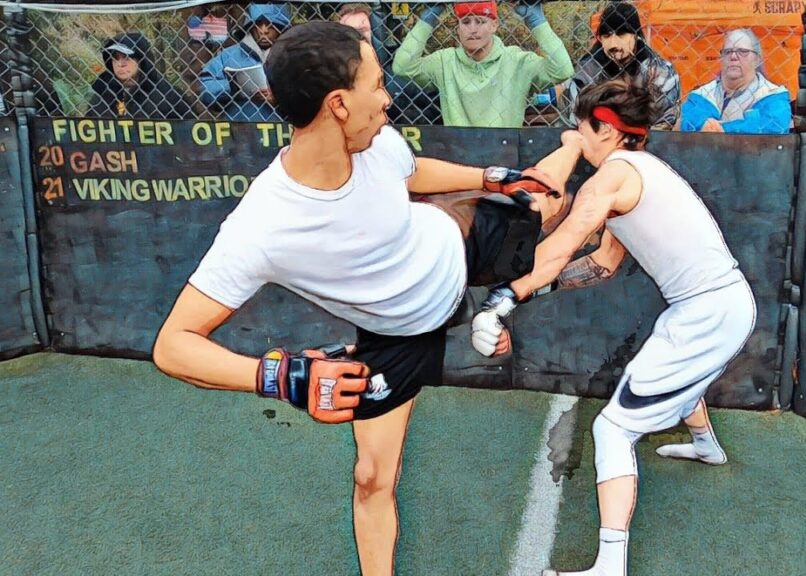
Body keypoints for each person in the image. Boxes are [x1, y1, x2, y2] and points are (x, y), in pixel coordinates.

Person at [152, 22, 570, 576]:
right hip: (400, 332)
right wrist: (283, 377)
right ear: (339, 104)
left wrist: (489, 177)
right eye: (377, 85)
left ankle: (574, 155)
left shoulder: (375, 141)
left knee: (549, 199)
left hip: (455, 240)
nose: (389, 98)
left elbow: (414, 170)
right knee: (372, 478)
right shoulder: (263, 226)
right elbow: (173, 347)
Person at [470, 79, 756, 576]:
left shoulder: (612, 178)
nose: (574, 137)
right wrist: (541, 290)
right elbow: (601, 263)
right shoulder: (635, 172)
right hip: (715, 308)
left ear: (603, 129)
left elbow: (559, 248)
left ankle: (609, 566)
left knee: (613, 428)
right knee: (672, 372)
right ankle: (707, 445)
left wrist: (504, 297)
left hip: (709, 313)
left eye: (580, 128)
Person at [392, 0, 574, 127]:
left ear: (494, 25)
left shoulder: (516, 61)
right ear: (458, 28)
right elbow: (403, 67)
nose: (472, 29)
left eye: (480, 21)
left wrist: (537, 22)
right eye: (465, 22)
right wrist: (428, 19)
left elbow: (562, 69)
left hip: (504, 152)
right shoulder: (444, 61)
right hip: (458, 153)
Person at [563, 2, 680, 129]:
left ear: (636, 35)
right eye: (606, 36)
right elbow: (576, 119)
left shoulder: (658, 70)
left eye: (621, 34)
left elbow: (663, 124)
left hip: (643, 141)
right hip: (597, 141)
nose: (613, 44)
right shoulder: (588, 69)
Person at [336, 3, 442, 125]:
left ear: (374, 33)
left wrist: (404, 117)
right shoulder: (330, 75)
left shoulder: (397, 76)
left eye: (362, 30)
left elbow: (435, 107)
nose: (355, 36)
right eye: (348, 31)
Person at [677, 28, 791, 134]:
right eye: (728, 51)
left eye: (743, 51)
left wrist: (721, 129)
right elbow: (689, 119)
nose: (733, 56)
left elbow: (770, 128)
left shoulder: (773, 95)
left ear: (757, 59)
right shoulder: (703, 94)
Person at [198, 3, 290, 121]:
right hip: (238, 131)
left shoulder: (293, 56)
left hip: (282, 131)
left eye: (270, 25)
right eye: (258, 24)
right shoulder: (229, 56)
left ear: (281, 28)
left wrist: (279, 99)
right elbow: (206, 88)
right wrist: (232, 88)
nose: (264, 30)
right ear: (250, 26)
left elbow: (308, 94)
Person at [88, 32, 191, 119]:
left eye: (127, 57)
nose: (120, 64)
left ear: (142, 60)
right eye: (115, 58)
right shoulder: (103, 94)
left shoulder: (167, 94)